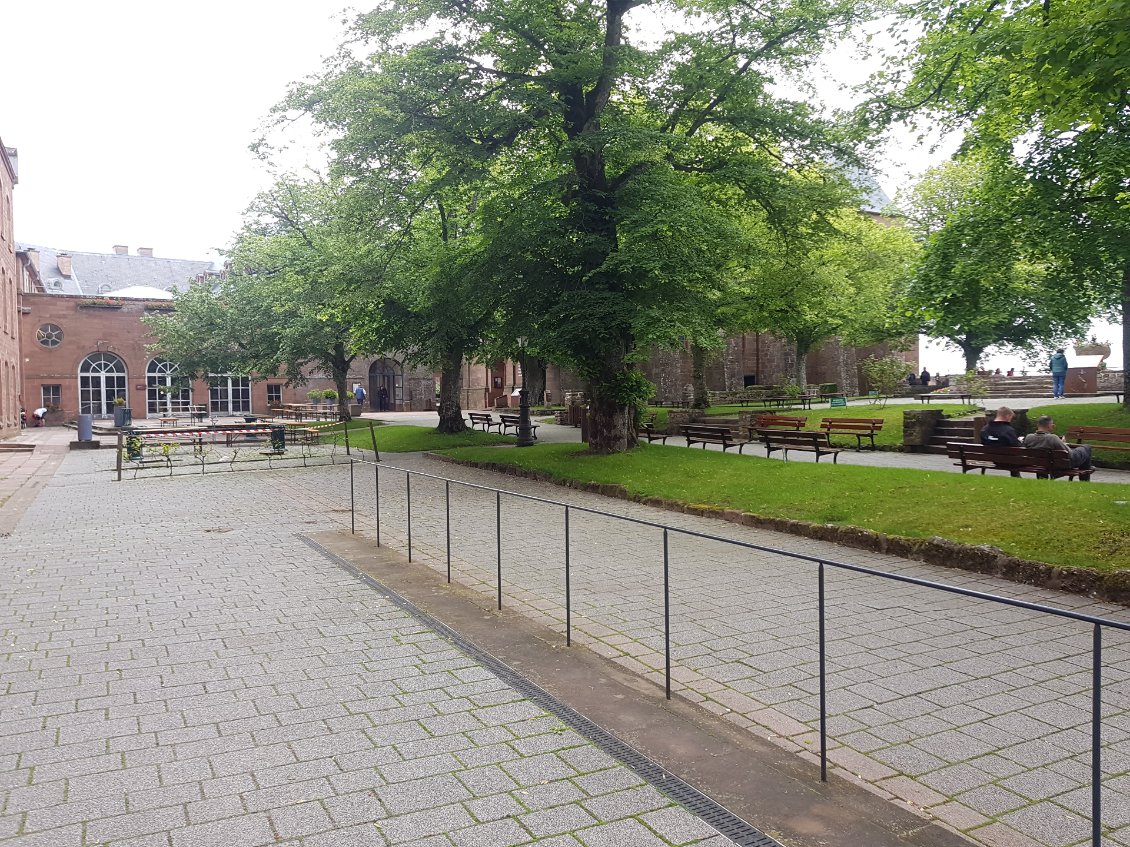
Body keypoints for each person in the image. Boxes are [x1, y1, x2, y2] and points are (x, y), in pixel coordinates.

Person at [1023, 415, 1092, 470]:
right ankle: (1085, 475)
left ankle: (1087, 468)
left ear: (1037, 425)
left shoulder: (1029, 437)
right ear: (1049, 426)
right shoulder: (1053, 438)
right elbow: (1069, 454)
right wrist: (1063, 443)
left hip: (1040, 463)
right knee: (1086, 447)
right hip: (1063, 464)